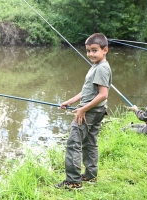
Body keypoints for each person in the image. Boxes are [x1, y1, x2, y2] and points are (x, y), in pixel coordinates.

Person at [54, 33, 112, 190]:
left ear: (105, 49)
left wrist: (82, 110)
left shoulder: (101, 68)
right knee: (90, 143)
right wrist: (71, 101)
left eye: (94, 50)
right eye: (88, 51)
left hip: (89, 113)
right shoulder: (97, 66)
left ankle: (73, 181)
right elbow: (88, 91)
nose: (90, 54)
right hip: (96, 111)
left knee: (74, 143)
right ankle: (90, 175)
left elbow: (103, 94)